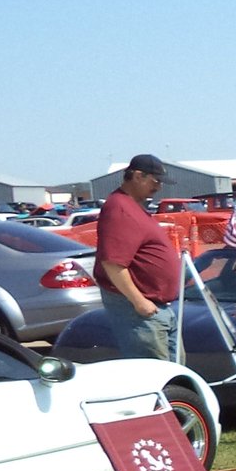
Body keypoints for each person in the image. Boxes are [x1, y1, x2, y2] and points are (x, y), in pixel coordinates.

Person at [94, 153, 183, 360]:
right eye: (156, 181)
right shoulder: (119, 208)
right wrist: (139, 301)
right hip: (140, 311)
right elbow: (113, 263)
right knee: (156, 376)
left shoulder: (134, 207)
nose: (159, 187)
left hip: (157, 308)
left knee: (174, 373)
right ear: (138, 176)